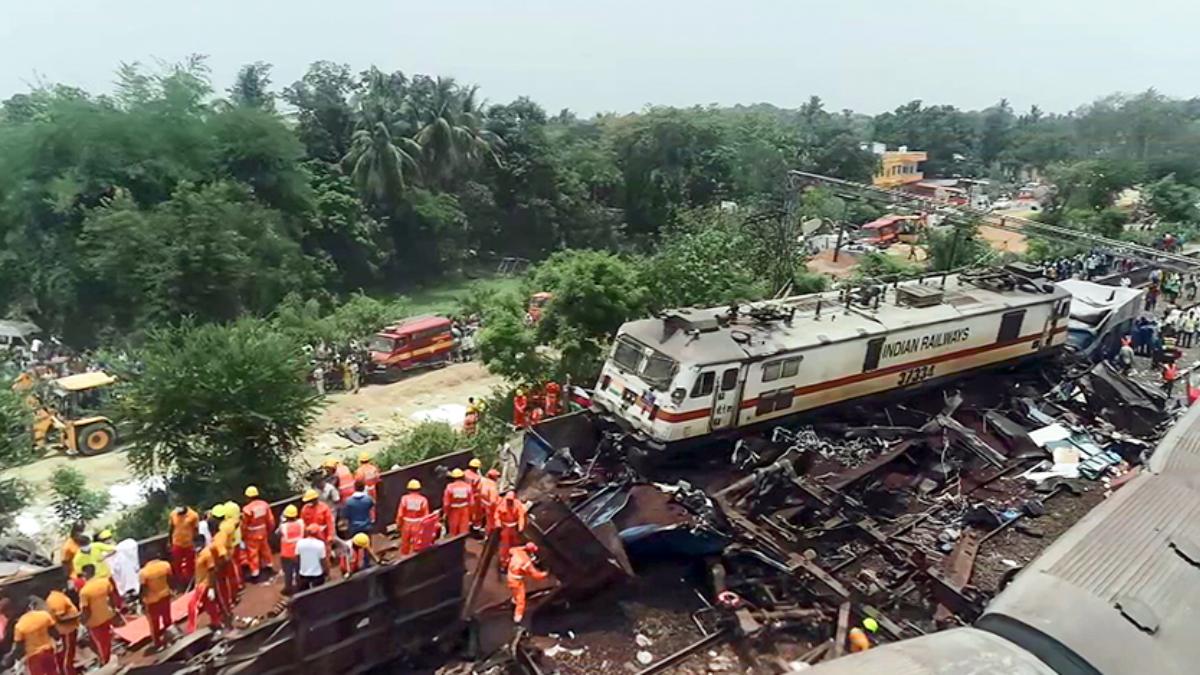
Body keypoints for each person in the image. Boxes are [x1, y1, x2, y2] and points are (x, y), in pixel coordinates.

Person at [79, 565, 121, 665]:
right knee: (107, 640)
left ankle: (105, 662)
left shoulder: (84, 591)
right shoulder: (104, 582)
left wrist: (82, 622)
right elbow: (112, 597)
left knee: (101, 643)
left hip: (94, 621)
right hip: (107, 615)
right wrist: (115, 610)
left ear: (85, 574)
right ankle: (108, 659)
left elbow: (86, 610)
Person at [8, 597, 59, 675]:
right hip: (48, 650)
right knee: (52, 672)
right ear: (30, 607)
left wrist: (17, 659)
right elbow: (54, 632)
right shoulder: (44, 615)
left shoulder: (19, 626)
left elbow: (19, 647)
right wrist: (57, 641)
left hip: (33, 656)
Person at [187, 546, 226, 634]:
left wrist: (211, 588)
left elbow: (211, 571)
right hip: (201, 584)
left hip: (204, 585)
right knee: (210, 606)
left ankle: (191, 630)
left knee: (192, 605)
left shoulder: (207, 554)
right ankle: (217, 623)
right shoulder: (198, 554)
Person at [506, 543, 548, 624]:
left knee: (515, 592)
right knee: (521, 598)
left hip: (510, 576)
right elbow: (536, 575)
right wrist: (546, 573)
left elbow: (510, 550)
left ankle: (513, 601)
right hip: (516, 581)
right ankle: (518, 616)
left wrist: (524, 547)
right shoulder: (525, 562)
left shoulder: (517, 551)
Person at [240, 486, 276, 580]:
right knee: (266, 550)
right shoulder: (264, 505)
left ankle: (255, 573)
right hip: (263, 532)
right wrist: (269, 530)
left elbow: (244, 524)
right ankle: (269, 566)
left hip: (251, 535)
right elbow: (271, 520)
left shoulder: (247, 509)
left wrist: (242, 535)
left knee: (253, 554)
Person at [139, 556, 173, 651]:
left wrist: (141, 600)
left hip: (152, 600)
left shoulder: (144, 572)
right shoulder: (165, 565)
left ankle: (158, 644)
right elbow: (170, 578)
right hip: (165, 595)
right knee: (167, 619)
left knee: (154, 624)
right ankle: (172, 637)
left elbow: (143, 588)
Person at [46, 584, 80, 675]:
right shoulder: (56, 598)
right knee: (67, 656)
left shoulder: (58, 596)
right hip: (66, 631)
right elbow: (61, 617)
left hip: (68, 630)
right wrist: (78, 615)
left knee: (67, 655)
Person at [494, 491, 527, 572]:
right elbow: (496, 515)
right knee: (505, 546)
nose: (509, 502)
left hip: (514, 529)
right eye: (508, 500)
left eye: (511, 500)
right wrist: (498, 524)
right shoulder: (501, 504)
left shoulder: (517, 504)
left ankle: (514, 561)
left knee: (515, 545)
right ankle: (504, 563)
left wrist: (520, 527)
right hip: (505, 528)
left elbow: (521, 516)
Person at [396, 480, 431, 556]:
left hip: (406, 524)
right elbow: (426, 515)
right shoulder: (423, 500)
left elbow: (400, 514)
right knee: (417, 544)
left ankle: (404, 558)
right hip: (418, 524)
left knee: (405, 543)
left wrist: (398, 524)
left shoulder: (404, 499)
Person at [277, 505, 304, 596]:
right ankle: (300, 587)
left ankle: (288, 588)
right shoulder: (301, 523)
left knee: (288, 572)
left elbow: (277, 534)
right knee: (299, 570)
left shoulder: (283, 526)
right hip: (299, 552)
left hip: (287, 554)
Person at [168, 506, 200, 584]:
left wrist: (196, 542)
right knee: (176, 564)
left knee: (191, 564)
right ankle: (180, 582)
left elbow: (196, 530)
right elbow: (171, 528)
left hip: (189, 543)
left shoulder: (193, 515)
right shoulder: (173, 514)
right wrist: (169, 542)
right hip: (177, 543)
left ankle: (191, 582)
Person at [295, 525, 328, 592]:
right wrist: (326, 571)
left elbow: (297, 558)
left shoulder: (300, 542)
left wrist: (299, 569)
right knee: (319, 594)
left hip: (303, 574)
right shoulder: (320, 544)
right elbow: (323, 560)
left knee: (304, 595)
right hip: (317, 574)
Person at [443, 468, 474, 538]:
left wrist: (446, 513)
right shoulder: (467, 486)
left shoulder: (449, 487)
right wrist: (471, 513)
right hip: (465, 510)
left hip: (453, 511)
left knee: (453, 529)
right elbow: (471, 502)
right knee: (464, 530)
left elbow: (446, 503)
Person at [477, 468, 500, 533]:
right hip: (490, 507)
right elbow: (493, 501)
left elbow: (478, 490)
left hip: (482, 503)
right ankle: (489, 534)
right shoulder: (492, 486)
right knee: (491, 523)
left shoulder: (483, 481)